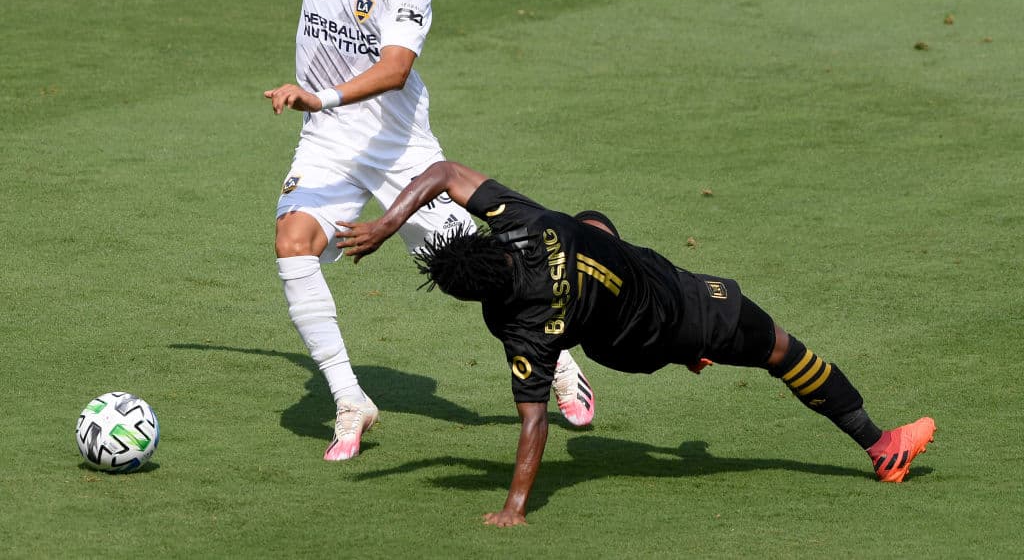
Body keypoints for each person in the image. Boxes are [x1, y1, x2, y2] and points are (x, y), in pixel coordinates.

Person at [150, 0, 594, 461]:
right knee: (292, 243)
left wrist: (320, 93)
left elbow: (395, 69)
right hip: (327, 141)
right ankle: (350, 399)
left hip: (398, 146)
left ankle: (558, 360)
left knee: (476, 270)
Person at [335, 160, 937, 526]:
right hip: (682, 312)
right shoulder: (527, 222)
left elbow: (533, 422)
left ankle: (687, 346)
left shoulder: (520, 325)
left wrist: (514, 507)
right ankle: (883, 447)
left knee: (595, 221)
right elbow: (441, 173)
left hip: (619, 347)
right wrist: (385, 227)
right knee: (782, 350)